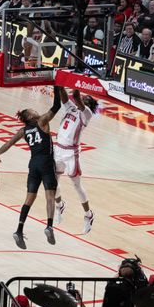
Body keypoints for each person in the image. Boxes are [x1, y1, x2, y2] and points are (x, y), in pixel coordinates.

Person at [0, 86, 62, 249]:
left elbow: (9, 143)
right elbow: (57, 106)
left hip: (33, 165)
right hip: (46, 162)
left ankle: (19, 230)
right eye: (33, 110)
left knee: (29, 199)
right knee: (50, 196)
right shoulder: (42, 121)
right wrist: (57, 85)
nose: (36, 111)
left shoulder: (23, 130)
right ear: (31, 116)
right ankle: (49, 226)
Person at [53, 88, 97, 235]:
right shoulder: (71, 107)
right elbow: (64, 95)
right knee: (52, 182)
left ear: (89, 105)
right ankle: (59, 205)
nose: (85, 99)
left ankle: (88, 214)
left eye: (88, 99)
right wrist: (59, 83)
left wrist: (75, 82)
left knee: (77, 186)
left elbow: (76, 95)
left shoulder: (87, 114)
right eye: (85, 97)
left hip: (71, 152)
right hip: (58, 149)